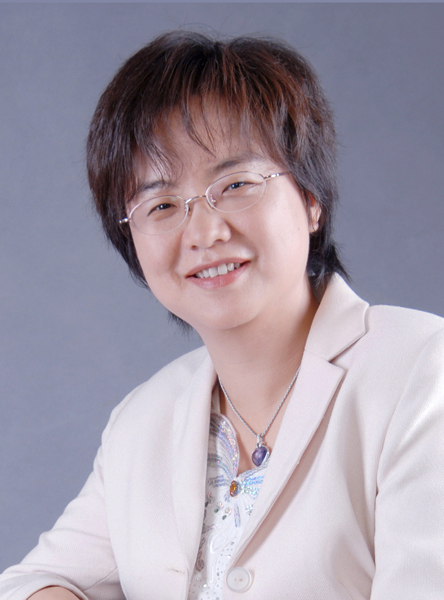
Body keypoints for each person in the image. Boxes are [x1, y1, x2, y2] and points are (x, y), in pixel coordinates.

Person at [1, 30, 444, 600]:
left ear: (311, 199)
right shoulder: (143, 421)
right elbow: (33, 582)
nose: (204, 232)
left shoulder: (421, 371)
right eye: (162, 204)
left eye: (236, 184)